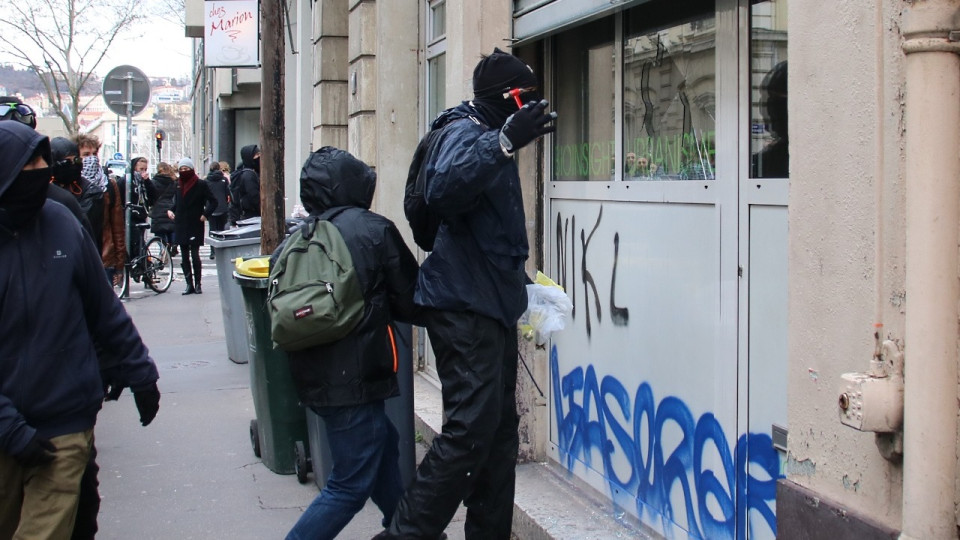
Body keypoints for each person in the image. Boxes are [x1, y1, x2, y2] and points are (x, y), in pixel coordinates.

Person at [376, 49, 557, 540]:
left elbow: (484, 227)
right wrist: (501, 142)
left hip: (486, 301)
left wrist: (519, 283)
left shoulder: (481, 132)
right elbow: (444, 191)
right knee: (470, 431)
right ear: (508, 98)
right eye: (526, 97)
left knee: (497, 434)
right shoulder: (466, 131)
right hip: (462, 306)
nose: (532, 107)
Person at [0, 120, 161, 539]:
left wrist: (139, 372)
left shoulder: (61, 221)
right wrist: (9, 428)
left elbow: (103, 308)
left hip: (64, 422)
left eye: (42, 159)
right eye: (28, 162)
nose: (41, 169)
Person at [278, 146, 420, 540]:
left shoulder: (298, 237)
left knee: (384, 448)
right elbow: (411, 299)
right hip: (355, 378)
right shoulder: (372, 229)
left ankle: (408, 529)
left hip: (314, 376)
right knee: (349, 484)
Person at [168, 158, 216, 295]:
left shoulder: (201, 184)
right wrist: (171, 210)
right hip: (181, 222)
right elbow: (176, 202)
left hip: (195, 222)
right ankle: (189, 284)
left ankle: (198, 284)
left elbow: (213, 201)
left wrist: (205, 214)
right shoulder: (178, 184)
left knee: (195, 254)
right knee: (184, 255)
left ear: (192, 169)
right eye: (181, 169)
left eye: (186, 169)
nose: (184, 172)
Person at [50, 137, 105, 253]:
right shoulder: (45, 188)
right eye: (66, 162)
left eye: (76, 161)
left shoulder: (92, 190)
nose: (91, 159)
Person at [149, 162, 178, 254]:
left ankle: (164, 248)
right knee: (171, 229)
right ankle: (172, 244)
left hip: (158, 209)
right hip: (170, 207)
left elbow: (151, 195)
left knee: (160, 232)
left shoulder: (154, 181)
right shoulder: (174, 182)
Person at [204, 161, 230, 259]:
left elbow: (205, 196)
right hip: (222, 207)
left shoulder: (206, 181)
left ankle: (212, 251)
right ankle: (221, 250)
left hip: (211, 208)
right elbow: (227, 194)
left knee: (212, 229)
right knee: (221, 229)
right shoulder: (223, 180)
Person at [229, 144, 261, 224]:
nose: (259, 157)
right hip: (251, 216)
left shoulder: (248, 172)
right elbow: (254, 196)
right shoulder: (249, 175)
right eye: (256, 155)